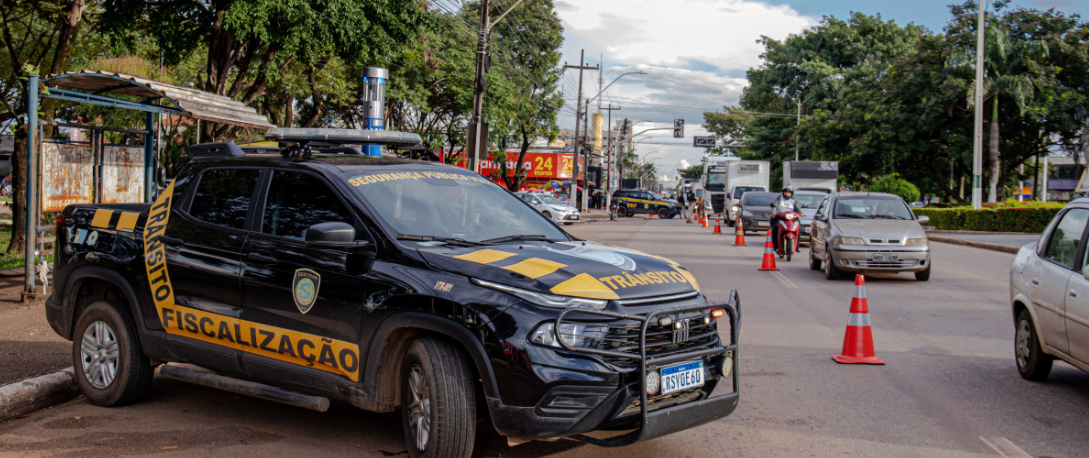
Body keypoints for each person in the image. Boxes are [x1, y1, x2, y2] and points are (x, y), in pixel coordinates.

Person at [770, 186, 799, 252]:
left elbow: (798, 209)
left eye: (789, 193)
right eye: (786, 192)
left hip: (791, 218)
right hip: (780, 217)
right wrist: (774, 212)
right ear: (783, 193)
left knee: (798, 227)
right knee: (776, 228)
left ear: (791, 194)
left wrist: (801, 213)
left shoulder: (793, 201)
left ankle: (796, 246)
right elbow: (775, 206)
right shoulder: (779, 199)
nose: (787, 194)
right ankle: (775, 246)